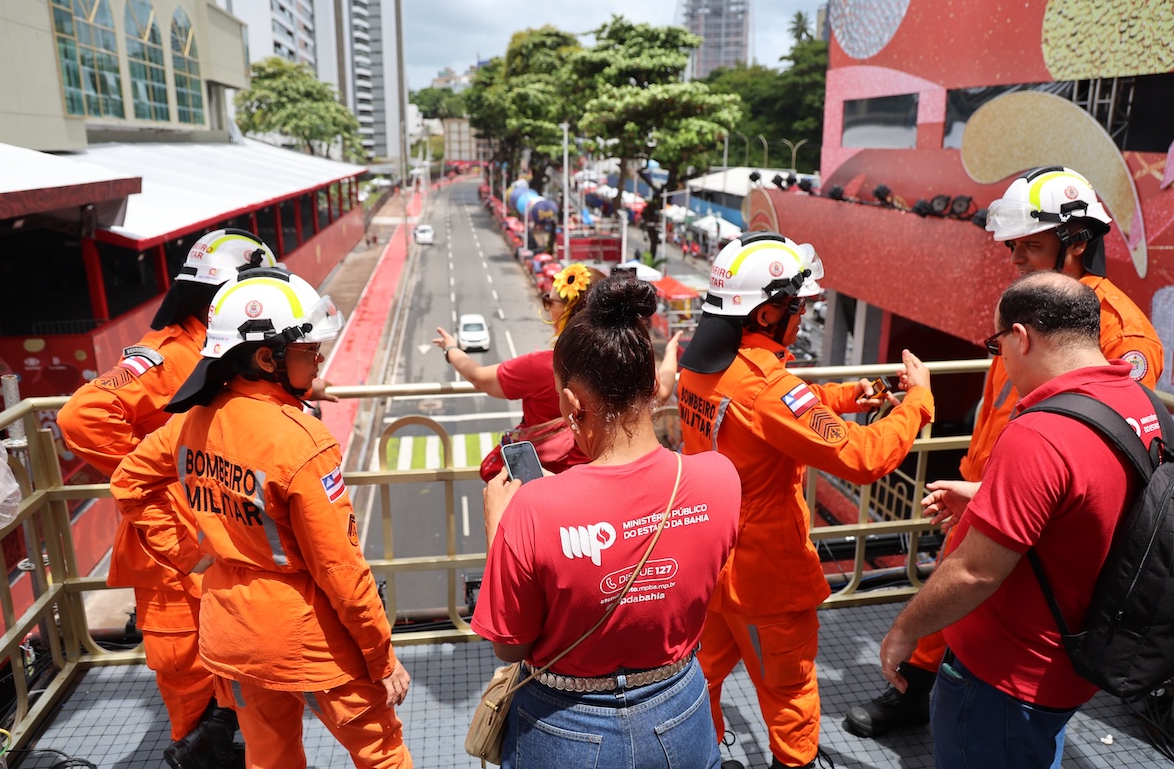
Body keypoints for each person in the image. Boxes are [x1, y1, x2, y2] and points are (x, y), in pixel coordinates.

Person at [845, 165, 1165, 739]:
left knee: (979, 592)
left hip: (1037, 502)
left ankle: (948, 695)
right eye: (1014, 245)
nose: (1016, 257)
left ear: (1078, 244)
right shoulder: (1035, 305)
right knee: (953, 583)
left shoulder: (1117, 330)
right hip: (992, 484)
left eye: (1032, 246)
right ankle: (918, 689)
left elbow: (1104, 431)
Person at [110, 268, 411, 769]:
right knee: (383, 756)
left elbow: (129, 483)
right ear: (266, 357)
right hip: (310, 635)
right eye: (309, 351)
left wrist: (189, 555)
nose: (318, 361)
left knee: (269, 759)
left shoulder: (189, 422)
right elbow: (340, 570)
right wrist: (381, 659)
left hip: (232, 631)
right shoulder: (303, 442)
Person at [880, 271, 1159, 768]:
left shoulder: (1041, 433)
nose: (999, 357)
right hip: (1070, 661)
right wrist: (991, 496)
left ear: (1022, 337)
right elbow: (1092, 497)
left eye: (996, 343)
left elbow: (975, 572)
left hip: (1004, 677)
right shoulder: (1140, 404)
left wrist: (903, 630)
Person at [677, 233, 935, 769]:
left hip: (711, 564)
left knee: (698, 680)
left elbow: (773, 410)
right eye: (798, 305)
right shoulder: (767, 388)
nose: (803, 314)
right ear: (769, 311)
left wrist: (845, 396)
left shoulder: (699, 367)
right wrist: (917, 402)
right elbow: (864, 458)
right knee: (790, 696)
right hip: (768, 579)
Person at [472, 272, 742, 769]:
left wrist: (499, 531)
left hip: (565, 725)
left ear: (573, 403)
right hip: (682, 709)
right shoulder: (721, 479)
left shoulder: (534, 508)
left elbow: (510, 648)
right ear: (652, 388)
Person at [58, 228, 292, 769]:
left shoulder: (219, 354)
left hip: (214, 550)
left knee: (237, 685)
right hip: (170, 558)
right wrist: (157, 471)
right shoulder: (168, 356)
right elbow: (82, 417)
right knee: (192, 698)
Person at [432, 263, 605, 473]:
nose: (548, 308)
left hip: (548, 478)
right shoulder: (623, 361)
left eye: (549, 301)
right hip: (603, 478)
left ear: (569, 308)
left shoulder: (546, 365)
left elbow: (479, 377)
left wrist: (451, 349)